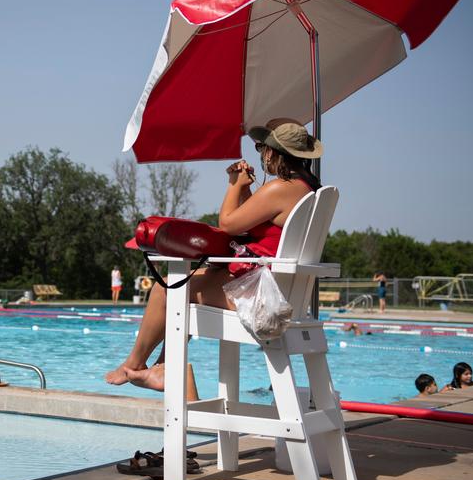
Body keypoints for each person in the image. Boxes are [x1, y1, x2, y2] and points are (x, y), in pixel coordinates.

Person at [105, 118, 322, 391]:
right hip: (279, 292)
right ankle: (163, 366)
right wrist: (245, 190)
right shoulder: (307, 190)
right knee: (183, 287)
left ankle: (134, 366)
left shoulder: (279, 188)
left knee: (167, 288)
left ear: (272, 152)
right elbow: (257, 226)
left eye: (261, 148)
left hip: (263, 301)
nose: (261, 154)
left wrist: (233, 184)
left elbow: (228, 224)